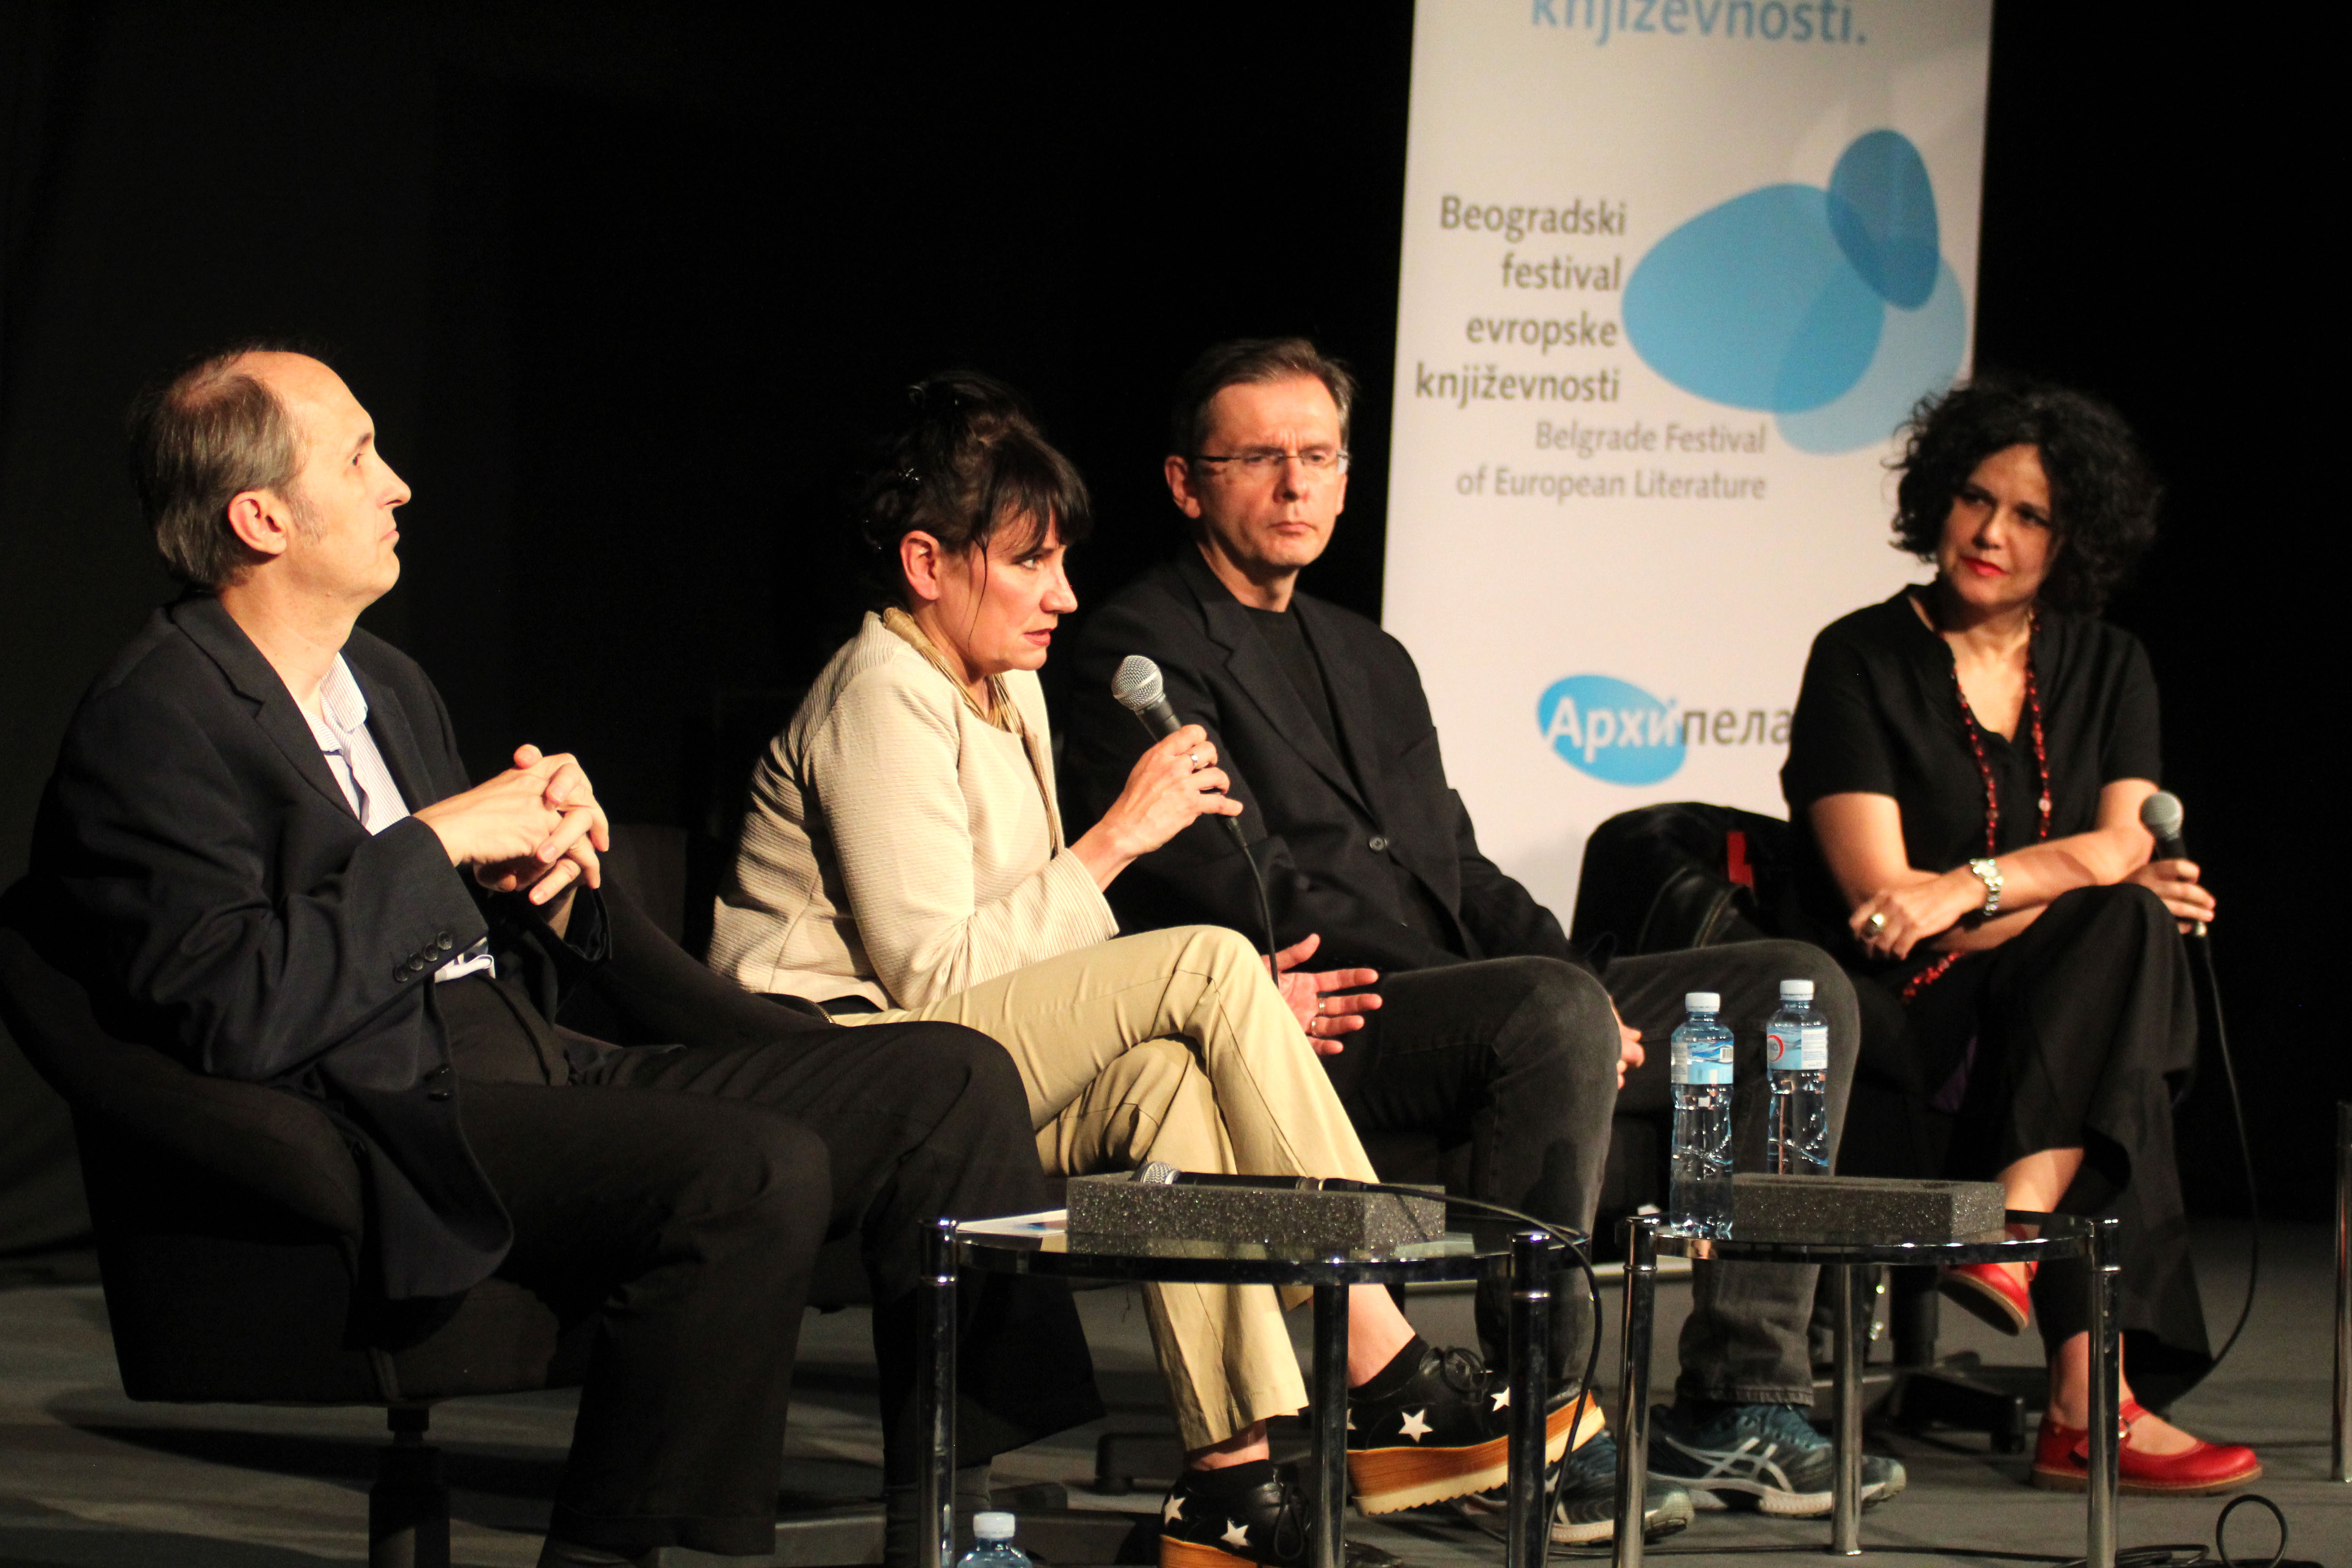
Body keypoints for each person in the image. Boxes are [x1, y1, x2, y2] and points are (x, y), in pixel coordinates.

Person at [29, 344, 1105, 1568]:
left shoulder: (382, 686)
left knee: (946, 1080)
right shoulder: (158, 714)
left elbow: (462, 935)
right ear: (261, 516)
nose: (399, 487)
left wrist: (553, 890)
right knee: (749, 1169)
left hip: (529, 1060)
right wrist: (436, 845)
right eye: (359, 457)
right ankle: (630, 1551)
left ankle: (953, 1519)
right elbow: (235, 1010)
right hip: (386, 1115)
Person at [710, 374, 1586, 1568]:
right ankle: (1381, 1363)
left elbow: (1031, 954)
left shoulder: (1002, 683)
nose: (1064, 596)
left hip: (963, 1064)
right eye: (1031, 565)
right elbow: (934, 981)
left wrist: (1205, 1013)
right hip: (851, 1072)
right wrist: (1119, 837)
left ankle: (1231, 1483)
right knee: (1218, 968)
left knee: (1178, 1077)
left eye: (1066, 562)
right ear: (927, 563)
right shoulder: (882, 694)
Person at [1060, 338, 1896, 1544]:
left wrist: (1563, 973)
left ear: (1347, 477)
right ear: (1190, 483)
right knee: (1543, 1011)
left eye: (1318, 457)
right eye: (1259, 460)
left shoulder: (1372, 654)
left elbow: (1454, 864)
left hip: (1475, 995)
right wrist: (1531, 1000)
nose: (1296, 487)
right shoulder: (1140, 650)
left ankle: (1742, 1390)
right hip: (1324, 1017)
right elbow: (1237, 884)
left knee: (1796, 992)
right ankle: (1539, 1424)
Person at [1781, 379, 2259, 1495]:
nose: (1992, 534)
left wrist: (1981, 884)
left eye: (2031, 516)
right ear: (1936, 502)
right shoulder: (1857, 658)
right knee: (2124, 961)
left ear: (2074, 538)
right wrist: (2081, 891)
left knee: (2122, 949)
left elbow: (2121, 847)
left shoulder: (2111, 665)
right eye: (1974, 499)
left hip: (2047, 1013)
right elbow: (1886, 907)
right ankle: (2093, 1410)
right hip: (1908, 1021)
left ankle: (2015, 1228)